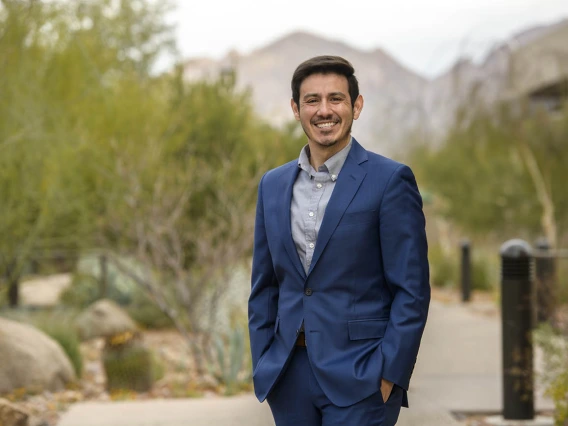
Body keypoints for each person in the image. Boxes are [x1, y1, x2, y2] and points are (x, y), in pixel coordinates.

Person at [248, 55, 430, 426]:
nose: (324, 110)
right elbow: (265, 285)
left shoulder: (390, 180)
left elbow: (412, 290)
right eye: (312, 100)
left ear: (356, 106)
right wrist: (264, 360)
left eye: (336, 99)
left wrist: (389, 374)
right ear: (296, 109)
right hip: (289, 376)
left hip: (362, 377)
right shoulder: (272, 185)